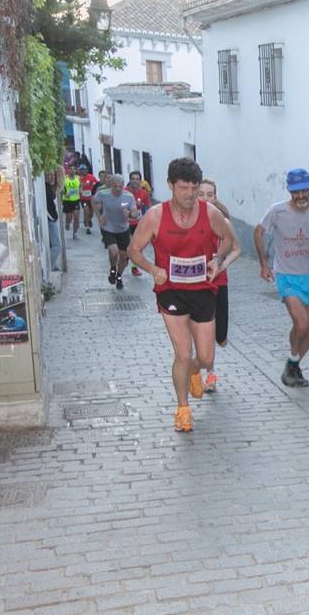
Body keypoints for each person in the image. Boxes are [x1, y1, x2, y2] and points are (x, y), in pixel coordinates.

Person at [127, 158, 235, 432]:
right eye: (183, 188)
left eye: (193, 187)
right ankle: (182, 409)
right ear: (170, 186)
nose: (189, 194)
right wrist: (153, 269)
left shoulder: (209, 213)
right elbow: (133, 250)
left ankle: (197, 372)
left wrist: (217, 260)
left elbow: (228, 239)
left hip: (203, 290)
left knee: (206, 357)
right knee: (183, 355)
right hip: (171, 291)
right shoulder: (155, 216)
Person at [253, 169, 309, 388]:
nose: (300, 196)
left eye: (304, 191)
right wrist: (264, 264)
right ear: (289, 191)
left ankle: (293, 364)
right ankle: (292, 362)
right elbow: (258, 233)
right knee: (301, 323)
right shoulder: (277, 212)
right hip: (287, 276)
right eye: (295, 192)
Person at [197, 178, 242, 392]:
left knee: (220, 333)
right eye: (201, 194)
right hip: (195, 285)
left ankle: (202, 365)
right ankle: (209, 374)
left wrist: (222, 264)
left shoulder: (223, 222)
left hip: (218, 282)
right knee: (203, 330)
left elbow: (236, 249)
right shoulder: (188, 221)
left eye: (210, 194)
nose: (205, 198)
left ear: (215, 197)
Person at [93, 175, 137, 289]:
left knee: (123, 257)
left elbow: (135, 213)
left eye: (120, 186)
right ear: (111, 185)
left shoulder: (129, 196)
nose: (118, 189)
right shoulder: (104, 194)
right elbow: (93, 200)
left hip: (123, 229)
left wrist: (130, 214)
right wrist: (99, 217)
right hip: (108, 228)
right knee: (114, 251)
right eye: (115, 186)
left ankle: (119, 276)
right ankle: (113, 268)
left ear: (123, 186)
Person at [61, 167, 81, 239]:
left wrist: (80, 191)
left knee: (76, 217)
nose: (72, 170)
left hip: (76, 200)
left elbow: (80, 187)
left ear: (75, 170)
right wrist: (65, 193)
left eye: (73, 169)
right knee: (69, 217)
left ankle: (75, 232)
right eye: (71, 169)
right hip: (67, 200)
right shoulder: (65, 178)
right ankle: (67, 223)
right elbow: (61, 188)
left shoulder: (78, 178)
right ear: (68, 170)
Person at [79, 165, 100, 234]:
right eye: (81, 170)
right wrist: (80, 190)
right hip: (83, 199)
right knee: (86, 211)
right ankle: (87, 228)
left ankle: (88, 220)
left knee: (91, 213)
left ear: (87, 170)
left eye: (84, 170)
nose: (83, 171)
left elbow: (97, 184)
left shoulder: (91, 177)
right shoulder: (78, 178)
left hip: (91, 198)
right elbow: (77, 187)